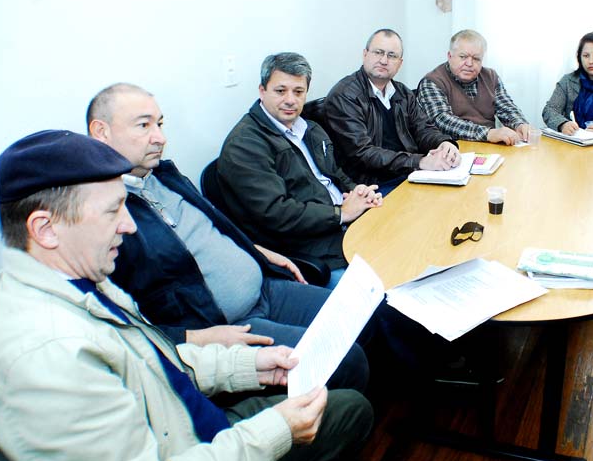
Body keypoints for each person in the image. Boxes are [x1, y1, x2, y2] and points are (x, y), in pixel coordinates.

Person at [0, 129, 444, 461]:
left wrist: (246, 366)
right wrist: (275, 432)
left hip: (190, 429)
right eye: (113, 211)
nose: (129, 225)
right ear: (45, 229)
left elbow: (153, 362)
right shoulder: (47, 359)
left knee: (353, 409)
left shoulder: (77, 280)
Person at [86, 83, 368, 392]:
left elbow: (215, 228)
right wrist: (194, 338)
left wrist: (258, 251)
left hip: (266, 287)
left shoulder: (164, 176)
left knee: (361, 313)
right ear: (101, 132)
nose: (160, 138)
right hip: (225, 325)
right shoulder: (100, 215)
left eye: (160, 124)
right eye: (144, 126)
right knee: (346, 359)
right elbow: (120, 328)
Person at [217, 53, 383, 289]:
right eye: (280, 91)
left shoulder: (310, 128)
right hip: (310, 250)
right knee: (378, 294)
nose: (290, 100)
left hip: (345, 228)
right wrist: (341, 213)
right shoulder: (244, 145)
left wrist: (358, 193)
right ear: (262, 91)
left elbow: (335, 174)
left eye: (298, 92)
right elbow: (277, 213)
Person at [321, 28, 461, 193]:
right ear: (365, 54)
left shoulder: (402, 92)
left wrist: (444, 143)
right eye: (378, 52)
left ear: (400, 63)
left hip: (409, 174)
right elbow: (362, 153)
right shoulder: (345, 95)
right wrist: (420, 162)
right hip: (370, 186)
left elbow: (423, 128)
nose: (384, 60)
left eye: (392, 55)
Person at [416, 29, 531, 145]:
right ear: (450, 56)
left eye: (476, 59)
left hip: (489, 146)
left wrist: (520, 124)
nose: (469, 63)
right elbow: (443, 121)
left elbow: (506, 108)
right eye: (463, 56)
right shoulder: (432, 82)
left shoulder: (491, 76)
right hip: (452, 148)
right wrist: (488, 134)